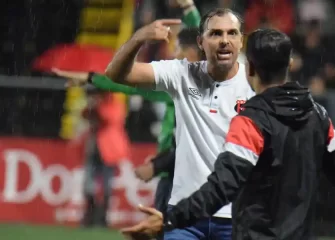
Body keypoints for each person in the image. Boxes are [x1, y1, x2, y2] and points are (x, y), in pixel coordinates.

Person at [120, 28, 335, 240]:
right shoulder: (319, 115)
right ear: (290, 64)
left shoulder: (251, 121)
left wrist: (170, 220)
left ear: (249, 68)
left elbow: (222, 187)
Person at [104, 7, 254, 240]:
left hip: (237, 216)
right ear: (201, 42)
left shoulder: (255, 84)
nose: (225, 40)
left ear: (241, 41)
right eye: (215, 34)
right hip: (185, 217)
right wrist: (138, 39)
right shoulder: (181, 74)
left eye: (232, 33)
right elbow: (115, 74)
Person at [52, 0, 202, 223]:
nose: (175, 53)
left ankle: (100, 215)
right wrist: (91, 78)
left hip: (183, 171)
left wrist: (190, 9)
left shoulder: (202, 83)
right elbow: (125, 83)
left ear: (193, 51)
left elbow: (202, 36)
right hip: (175, 170)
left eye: (179, 48)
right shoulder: (173, 85)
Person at [81, 90, 129, 227]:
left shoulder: (116, 103)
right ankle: (90, 216)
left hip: (109, 150)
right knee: (88, 185)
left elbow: (112, 118)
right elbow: (84, 115)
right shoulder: (97, 103)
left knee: (107, 186)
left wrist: (97, 107)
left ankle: (103, 218)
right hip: (94, 148)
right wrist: (90, 107)